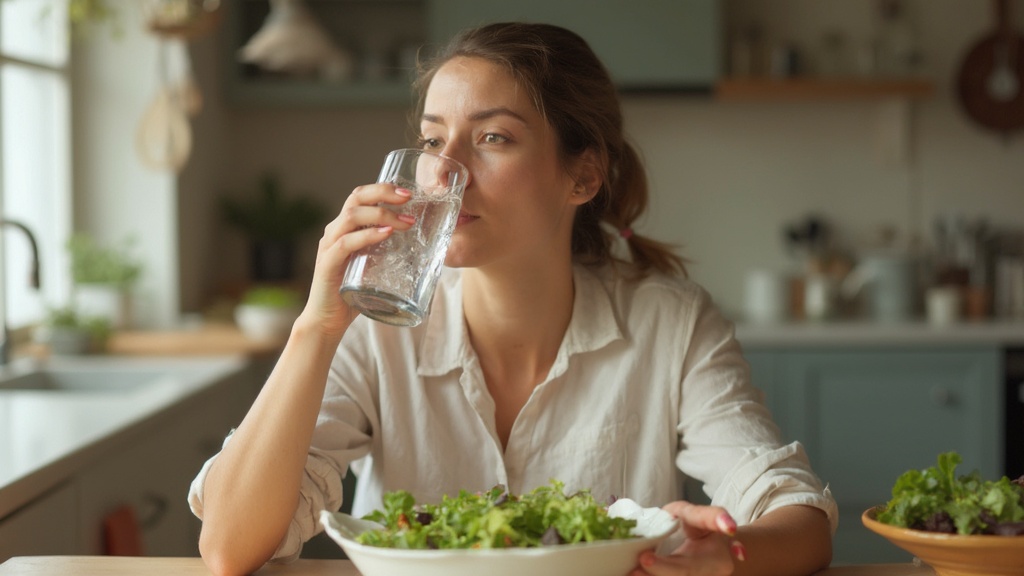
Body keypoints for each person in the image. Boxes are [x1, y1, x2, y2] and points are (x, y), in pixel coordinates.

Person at [189, 22, 837, 576]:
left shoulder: (669, 321)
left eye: (493, 138)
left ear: (583, 174)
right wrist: (315, 327)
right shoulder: (376, 323)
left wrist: (728, 553)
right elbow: (229, 549)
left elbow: (799, 521)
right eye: (434, 139)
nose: (445, 172)